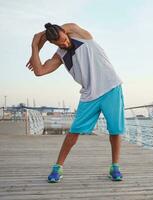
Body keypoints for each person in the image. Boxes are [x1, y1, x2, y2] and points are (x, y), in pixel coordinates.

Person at [26, 23, 125, 182]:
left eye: (64, 40)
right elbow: (39, 71)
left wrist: (39, 38)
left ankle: (115, 167)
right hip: (89, 94)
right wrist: (34, 48)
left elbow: (41, 35)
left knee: (115, 130)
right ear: (53, 44)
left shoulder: (79, 34)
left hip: (111, 87)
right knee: (74, 131)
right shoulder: (60, 56)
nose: (64, 44)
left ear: (65, 32)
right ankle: (57, 167)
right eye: (59, 44)